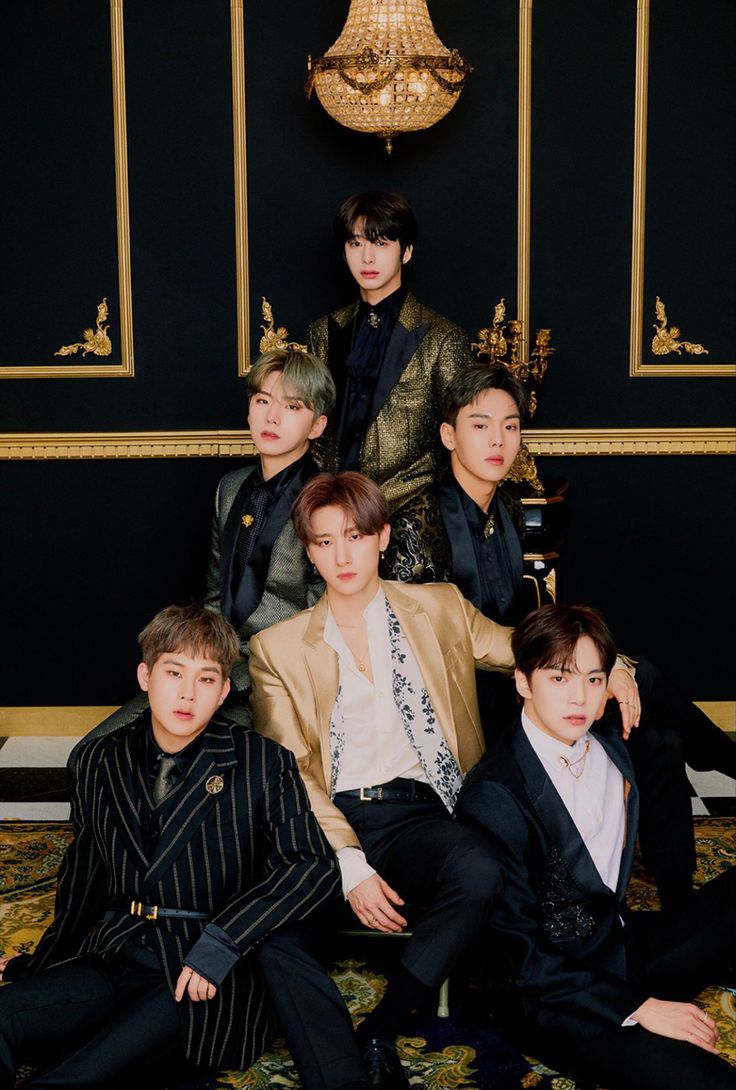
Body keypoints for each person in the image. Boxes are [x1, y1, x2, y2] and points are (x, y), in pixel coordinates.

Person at [385, 362, 736, 909]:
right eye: (480, 426)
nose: (498, 440)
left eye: (510, 425)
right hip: (477, 705)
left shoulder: (501, 509)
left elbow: (530, 619)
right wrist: (581, 671)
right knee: (646, 683)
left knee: (658, 737)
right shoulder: (418, 525)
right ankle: (724, 760)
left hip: (525, 678)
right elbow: (420, 658)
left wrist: (598, 665)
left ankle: (678, 902)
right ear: (449, 435)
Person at [1, 604, 367, 1090]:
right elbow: (83, 877)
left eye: (207, 679)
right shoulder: (98, 759)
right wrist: (41, 966)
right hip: (115, 955)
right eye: (174, 672)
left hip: (200, 977)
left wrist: (223, 942)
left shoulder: (261, 761)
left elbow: (310, 870)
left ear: (222, 694)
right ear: (146, 676)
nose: (188, 693)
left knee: (75, 1074)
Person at [249, 472, 514, 1089]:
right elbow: (290, 773)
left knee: (481, 870)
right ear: (309, 551)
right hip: (324, 823)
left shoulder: (439, 607)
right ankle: (338, 1075)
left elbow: (519, 648)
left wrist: (610, 666)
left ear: (383, 537)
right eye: (323, 542)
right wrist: (348, 862)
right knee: (275, 938)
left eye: (356, 535)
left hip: (419, 814)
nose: (342, 556)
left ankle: (381, 1030)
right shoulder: (276, 649)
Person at [456, 603, 736, 1090]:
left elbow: (647, 679)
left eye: (592, 679)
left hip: (622, 945)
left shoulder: (607, 734)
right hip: (555, 998)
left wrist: (623, 670)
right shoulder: (496, 797)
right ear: (523, 681)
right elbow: (523, 962)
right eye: (559, 678)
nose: (579, 698)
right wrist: (638, 1008)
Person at [68, 346, 335, 765]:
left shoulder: (328, 500)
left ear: (317, 425)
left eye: (291, 406)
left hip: (278, 678)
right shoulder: (229, 489)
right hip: (212, 665)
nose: (272, 417)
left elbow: (327, 620)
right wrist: (194, 668)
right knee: (90, 756)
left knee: (206, 777)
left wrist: (240, 676)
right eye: (262, 401)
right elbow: (215, 597)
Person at [308, 190, 474, 516]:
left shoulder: (443, 337)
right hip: (331, 514)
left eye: (381, 243)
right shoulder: (323, 331)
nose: (367, 257)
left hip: (409, 514)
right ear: (344, 252)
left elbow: (464, 439)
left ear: (407, 251)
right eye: (356, 243)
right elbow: (313, 427)